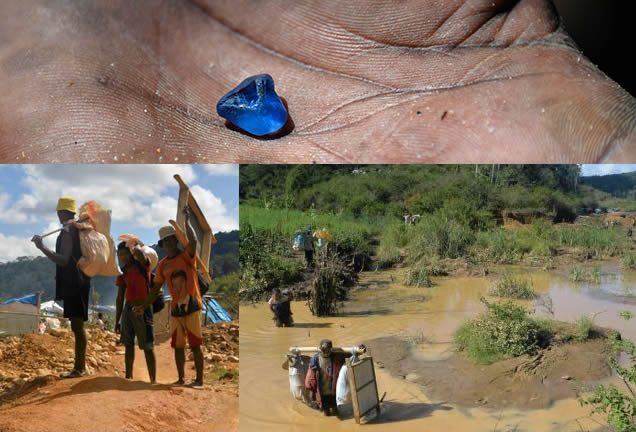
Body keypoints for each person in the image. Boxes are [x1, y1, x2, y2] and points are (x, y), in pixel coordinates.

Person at [135, 206, 204, 389]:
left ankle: (199, 380)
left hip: (193, 308)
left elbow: (194, 241)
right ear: (163, 245)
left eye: (171, 240)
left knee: (195, 345)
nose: (168, 244)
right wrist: (144, 305)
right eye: (165, 242)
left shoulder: (187, 257)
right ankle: (181, 379)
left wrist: (187, 221)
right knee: (178, 346)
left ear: (176, 241)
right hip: (175, 311)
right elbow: (155, 288)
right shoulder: (163, 265)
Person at [31, 196, 90, 378]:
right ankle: (80, 367)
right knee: (77, 324)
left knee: (77, 325)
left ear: (61, 212)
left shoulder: (68, 232)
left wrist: (42, 247)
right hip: (80, 281)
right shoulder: (75, 230)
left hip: (75, 283)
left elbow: (64, 259)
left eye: (59, 212)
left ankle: (80, 368)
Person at [115, 241, 157, 383]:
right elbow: (120, 297)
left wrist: (134, 245)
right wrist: (117, 320)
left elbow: (139, 254)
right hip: (128, 309)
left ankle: (153, 380)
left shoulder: (143, 265)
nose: (122, 257)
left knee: (148, 346)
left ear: (131, 253)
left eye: (125, 253)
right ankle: (128, 377)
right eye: (120, 254)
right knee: (128, 344)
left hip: (143, 308)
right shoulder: (123, 271)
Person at [305, 339, 349, 417]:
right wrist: (312, 392)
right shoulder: (315, 360)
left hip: (334, 392)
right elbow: (310, 378)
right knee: (326, 414)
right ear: (320, 349)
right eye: (324, 350)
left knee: (336, 412)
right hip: (323, 393)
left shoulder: (337, 357)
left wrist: (357, 350)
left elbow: (350, 355)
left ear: (331, 349)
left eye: (328, 350)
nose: (326, 352)